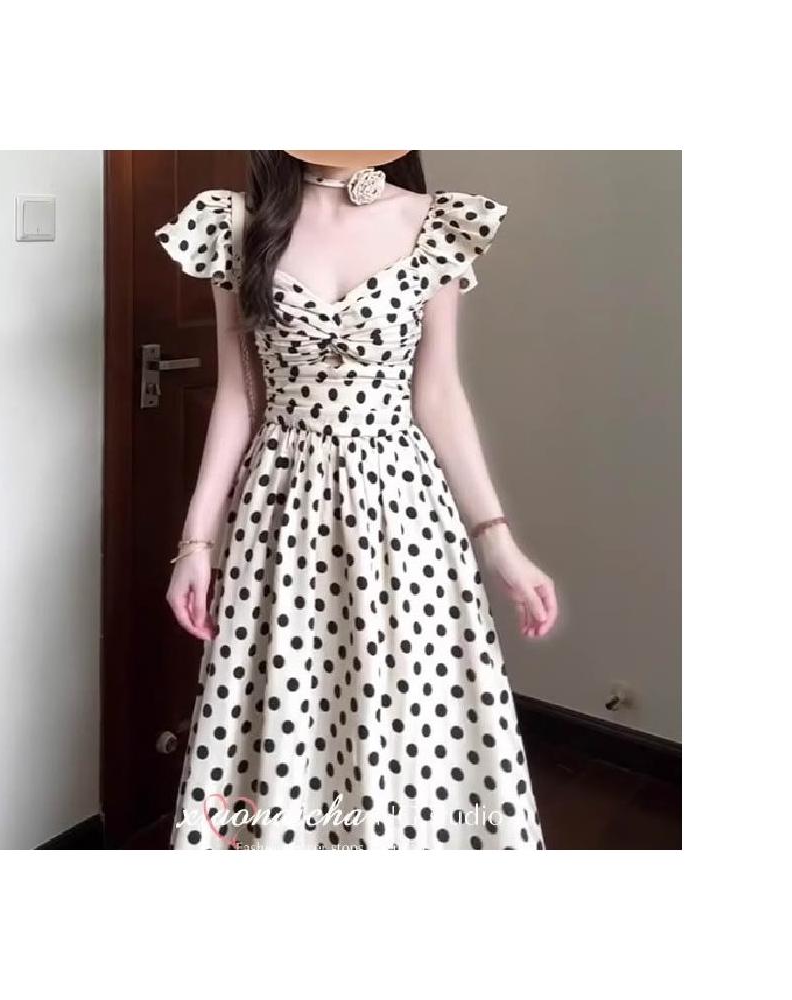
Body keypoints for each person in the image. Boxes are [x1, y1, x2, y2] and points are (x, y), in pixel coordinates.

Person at [155, 150, 557, 849]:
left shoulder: (435, 223)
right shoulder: (238, 225)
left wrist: (499, 540)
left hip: (403, 511)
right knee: (287, 712)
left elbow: (439, 395)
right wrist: (196, 543)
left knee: (410, 715)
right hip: (280, 511)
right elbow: (237, 397)